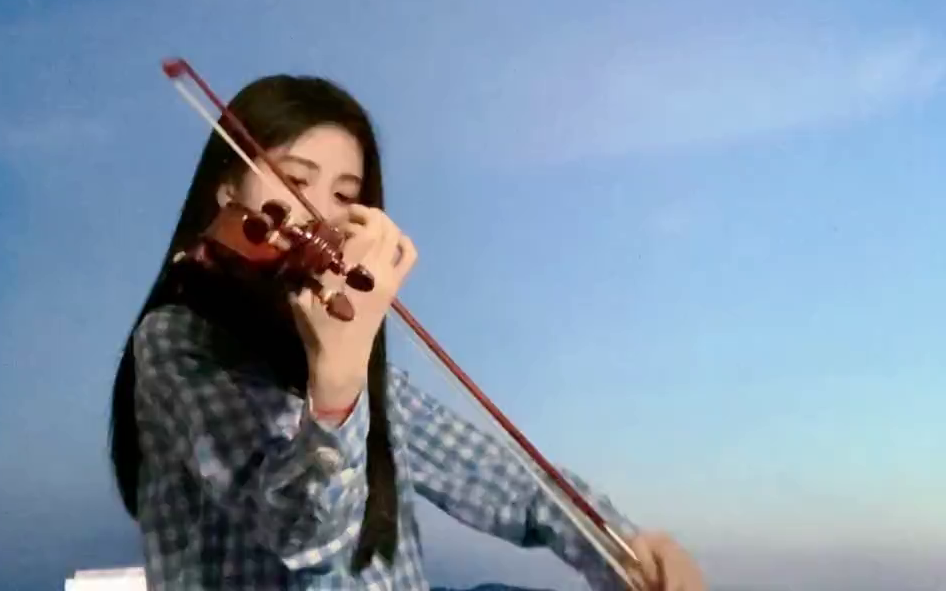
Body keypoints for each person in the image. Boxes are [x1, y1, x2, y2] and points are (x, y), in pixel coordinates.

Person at [109, 74, 706, 590]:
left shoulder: (337, 344)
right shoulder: (178, 340)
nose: (319, 213)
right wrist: (336, 383)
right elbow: (303, 536)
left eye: (344, 195)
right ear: (228, 189)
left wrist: (622, 544)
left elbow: (495, 479)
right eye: (295, 179)